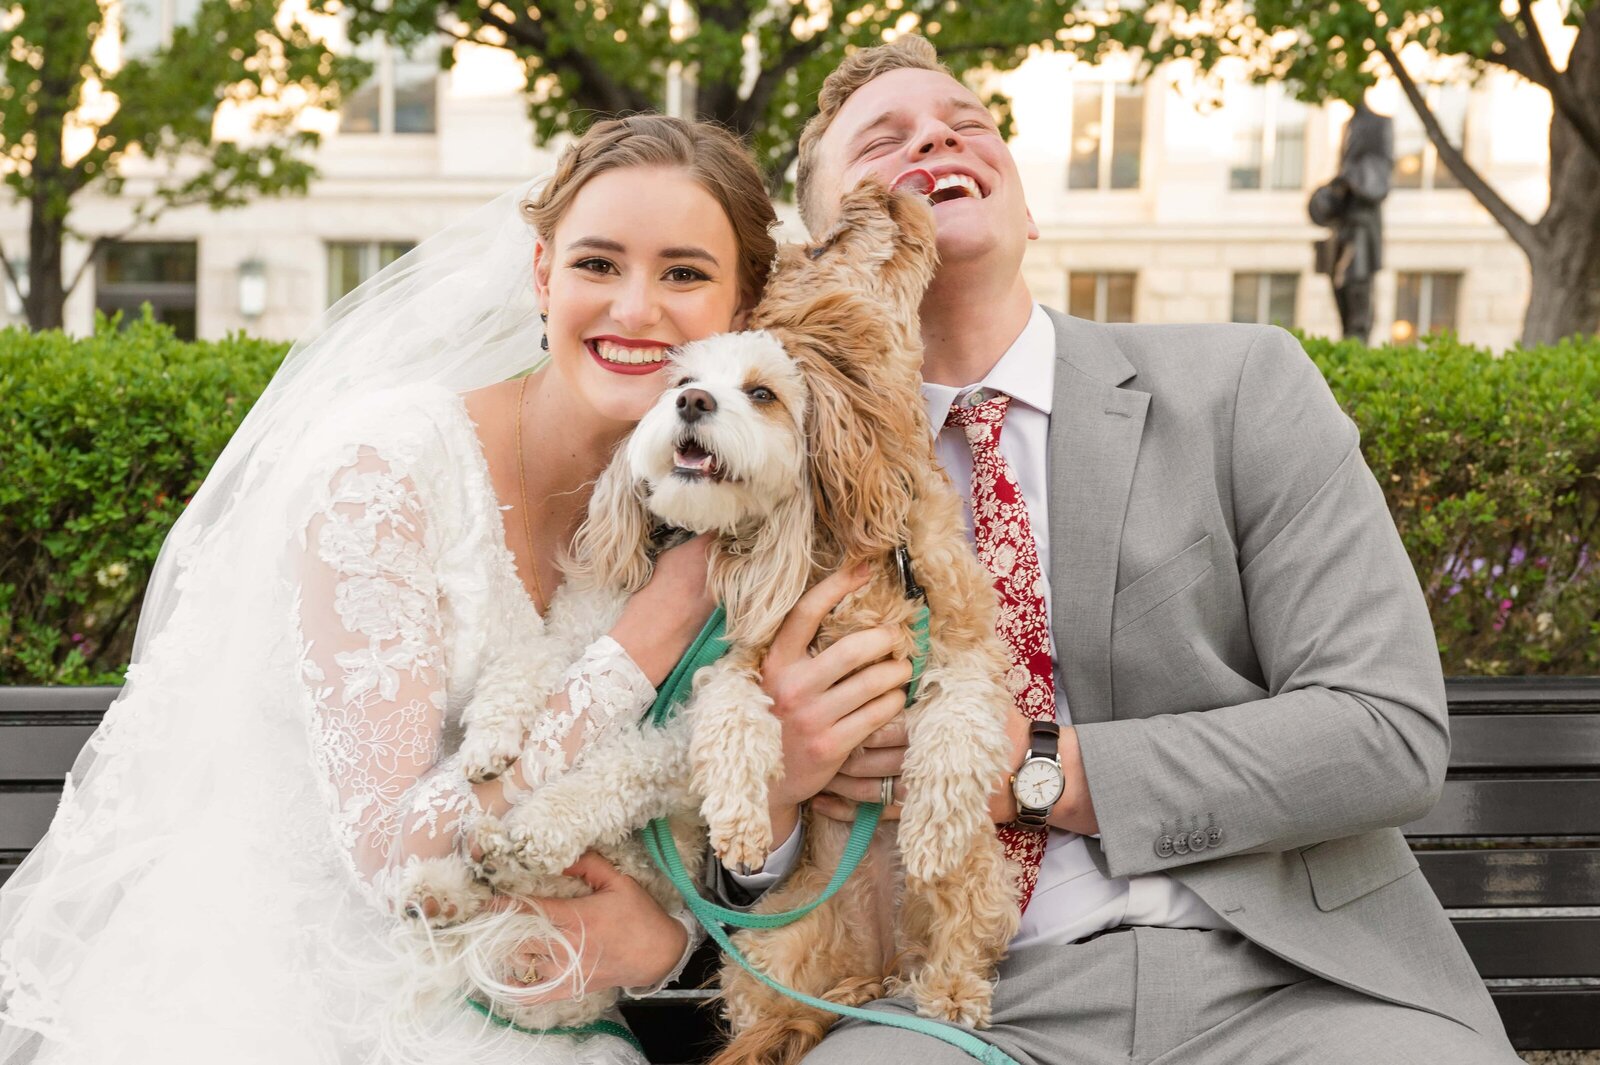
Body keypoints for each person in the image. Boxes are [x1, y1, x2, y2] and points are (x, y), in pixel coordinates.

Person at [723, 36, 1522, 1065]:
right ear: (816, 244)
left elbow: (1386, 731)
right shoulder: (776, 468)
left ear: (1027, 209)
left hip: (1294, 984)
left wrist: (1041, 768)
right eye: (884, 139)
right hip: (948, 1011)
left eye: (967, 124)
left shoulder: (1243, 387)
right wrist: (780, 791)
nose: (935, 136)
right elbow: (709, 833)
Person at [0, 114, 778, 1065]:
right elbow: (393, 859)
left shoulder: (704, 505)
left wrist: (664, 941)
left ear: (746, 307)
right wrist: (642, 640)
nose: (635, 308)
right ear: (542, 276)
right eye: (597, 264)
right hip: (300, 992)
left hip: (528, 986)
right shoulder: (386, 468)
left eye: (685, 274)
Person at [1309, 100, 1394, 343]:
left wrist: (1350, 178)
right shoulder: (1348, 124)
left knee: (1357, 289)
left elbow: (1379, 180)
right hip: (1342, 225)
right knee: (1340, 289)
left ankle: (1357, 345)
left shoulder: (1380, 123)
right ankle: (1349, 343)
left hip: (1362, 226)